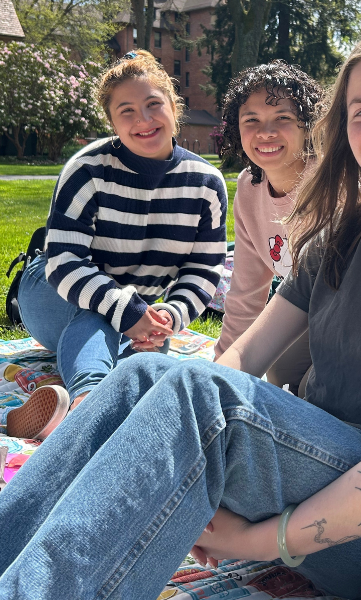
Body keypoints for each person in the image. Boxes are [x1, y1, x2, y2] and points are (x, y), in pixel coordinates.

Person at [0, 27, 361, 600]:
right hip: (320, 464)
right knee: (144, 376)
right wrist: (176, 426)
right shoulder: (337, 240)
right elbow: (246, 353)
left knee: (204, 399)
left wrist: (255, 541)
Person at [5, 50, 227, 440]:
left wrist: (170, 316)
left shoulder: (206, 183)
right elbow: (64, 263)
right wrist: (128, 312)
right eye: (127, 111)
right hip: (52, 288)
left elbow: (204, 268)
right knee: (103, 315)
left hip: (137, 303)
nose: (143, 120)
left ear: (174, 107)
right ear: (111, 122)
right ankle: (87, 408)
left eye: (153, 105)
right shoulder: (88, 169)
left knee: (143, 357)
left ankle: (54, 415)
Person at [213, 62, 323, 396]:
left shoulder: (336, 180)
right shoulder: (249, 187)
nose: (266, 132)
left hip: (358, 323)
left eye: (283, 118)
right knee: (279, 374)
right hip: (299, 316)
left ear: (308, 126)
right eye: (252, 121)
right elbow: (246, 295)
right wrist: (215, 373)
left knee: (315, 393)